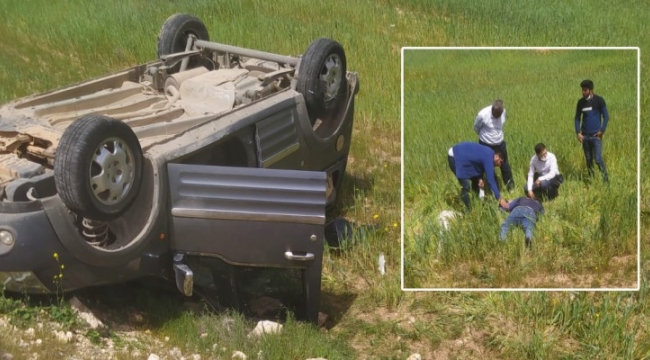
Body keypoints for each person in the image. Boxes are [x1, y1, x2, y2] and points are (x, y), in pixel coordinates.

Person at [447, 142, 509, 210]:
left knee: (475, 181)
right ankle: (469, 211)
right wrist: (499, 198)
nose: (499, 165)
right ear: (497, 157)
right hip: (455, 156)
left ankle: (476, 204)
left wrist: (480, 178)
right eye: (500, 162)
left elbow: (478, 162)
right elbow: (491, 180)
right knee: (466, 185)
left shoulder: (489, 153)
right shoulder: (488, 157)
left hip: (462, 156)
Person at [473, 99, 514, 190]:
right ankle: (496, 189)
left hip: (500, 143)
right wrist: (488, 137)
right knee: (489, 167)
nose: (498, 116)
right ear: (493, 110)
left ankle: (510, 187)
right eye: (496, 115)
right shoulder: (482, 115)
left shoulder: (503, 112)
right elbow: (476, 128)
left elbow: (501, 125)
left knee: (505, 164)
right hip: (486, 145)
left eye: (500, 114)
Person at [575, 79, 609, 183]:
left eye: (585, 90)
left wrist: (602, 131)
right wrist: (578, 132)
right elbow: (577, 118)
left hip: (596, 136)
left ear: (591, 90)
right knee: (589, 160)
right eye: (582, 90)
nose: (583, 92)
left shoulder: (599, 101)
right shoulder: (580, 103)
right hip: (585, 137)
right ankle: (591, 180)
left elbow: (606, 116)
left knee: (598, 159)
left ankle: (606, 181)